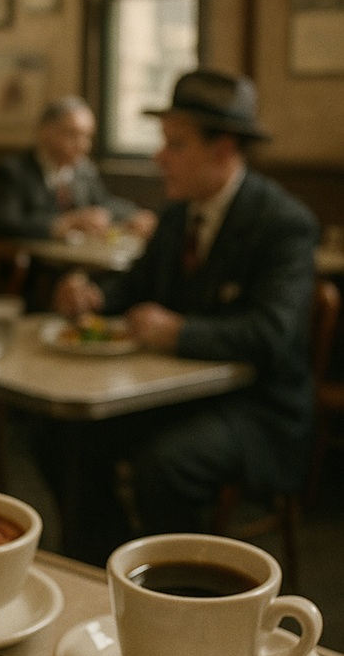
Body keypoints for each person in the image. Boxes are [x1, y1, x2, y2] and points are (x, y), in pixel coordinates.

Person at [48, 68, 319, 564]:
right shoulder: (177, 215)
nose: (159, 157)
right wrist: (92, 296)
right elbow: (135, 287)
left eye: (175, 144)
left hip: (259, 410)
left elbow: (272, 334)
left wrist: (180, 332)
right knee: (63, 433)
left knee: (167, 464)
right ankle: (105, 567)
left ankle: (181, 595)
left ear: (223, 149)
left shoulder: (283, 224)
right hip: (179, 395)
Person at [0, 95, 156, 242]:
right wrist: (65, 223)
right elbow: (1, 224)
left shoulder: (83, 170)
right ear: (45, 132)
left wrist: (133, 216)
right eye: (72, 134)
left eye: (87, 136)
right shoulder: (14, 172)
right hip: (33, 265)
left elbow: (103, 203)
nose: (83, 145)